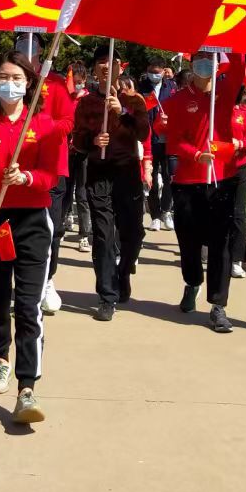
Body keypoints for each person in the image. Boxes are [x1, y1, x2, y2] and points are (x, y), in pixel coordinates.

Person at [0, 50, 60, 425]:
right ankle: (1, 357)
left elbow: (51, 177)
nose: (10, 84)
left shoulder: (46, 126)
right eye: (3, 77)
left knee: (29, 307)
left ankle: (27, 387)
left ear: (30, 82)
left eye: (18, 78)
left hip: (33, 222)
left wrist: (26, 178)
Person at [164, 50, 246, 333]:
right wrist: (196, 154)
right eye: (200, 59)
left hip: (222, 179)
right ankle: (192, 282)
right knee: (188, 240)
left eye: (211, 58)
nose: (205, 64)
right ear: (192, 63)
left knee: (221, 244)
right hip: (188, 181)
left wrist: (236, 41)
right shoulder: (178, 100)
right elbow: (174, 141)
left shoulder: (226, 91)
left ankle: (218, 305)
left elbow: (239, 67)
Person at [71, 45, 152, 320]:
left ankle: (123, 271)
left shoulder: (134, 100)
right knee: (104, 235)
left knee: (133, 233)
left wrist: (125, 111)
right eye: (101, 62)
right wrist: (93, 141)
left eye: (112, 61)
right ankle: (106, 295)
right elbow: (78, 141)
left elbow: (143, 133)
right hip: (99, 173)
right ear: (95, 69)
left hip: (127, 173)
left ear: (120, 67)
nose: (107, 66)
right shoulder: (86, 103)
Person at [14, 35, 75, 315]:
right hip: (17, 167)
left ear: (42, 49)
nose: (27, 47)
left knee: (51, 228)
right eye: (20, 41)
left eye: (32, 43)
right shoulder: (12, 81)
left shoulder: (57, 84)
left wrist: (43, 128)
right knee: (17, 228)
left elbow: (68, 122)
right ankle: (22, 283)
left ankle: (47, 280)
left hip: (51, 167)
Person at [142, 57, 177, 231]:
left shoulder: (171, 87)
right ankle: (155, 215)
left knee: (170, 176)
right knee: (151, 177)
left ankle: (166, 211)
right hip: (149, 139)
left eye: (157, 72)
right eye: (151, 71)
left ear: (164, 71)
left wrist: (170, 119)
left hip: (168, 139)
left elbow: (178, 108)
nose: (154, 75)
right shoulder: (142, 88)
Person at [228, 73, 246, 280]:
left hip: (239, 167)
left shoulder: (244, 111)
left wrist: (241, 144)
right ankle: (209, 246)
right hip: (217, 168)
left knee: (238, 213)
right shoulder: (215, 109)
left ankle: (236, 259)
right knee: (215, 211)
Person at [66, 59, 92, 252]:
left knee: (82, 194)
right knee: (65, 191)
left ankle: (84, 234)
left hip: (83, 152)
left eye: (79, 81)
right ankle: (62, 222)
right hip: (66, 151)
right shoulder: (64, 97)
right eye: (73, 81)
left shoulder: (89, 99)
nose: (76, 85)